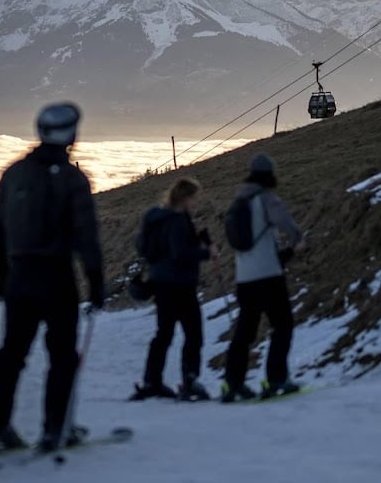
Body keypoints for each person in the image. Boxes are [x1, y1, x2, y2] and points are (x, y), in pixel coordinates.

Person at [0, 102, 105, 454]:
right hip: (57, 277)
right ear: (71, 135)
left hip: (20, 277)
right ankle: (55, 429)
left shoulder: (14, 174)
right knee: (62, 355)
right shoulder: (74, 180)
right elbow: (86, 237)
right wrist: (96, 282)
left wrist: (0, 277)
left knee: (11, 354)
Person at [222, 153, 306, 402]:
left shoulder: (238, 201)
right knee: (282, 324)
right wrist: (298, 240)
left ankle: (232, 384)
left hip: (244, 277)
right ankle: (276, 379)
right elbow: (285, 223)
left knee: (244, 332)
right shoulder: (266, 198)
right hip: (268, 275)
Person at [131, 178, 219, 401]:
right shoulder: (178, 220)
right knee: (193, 333)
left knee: (164, 334)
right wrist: (206, 253)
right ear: (185, 198)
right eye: (194, 198)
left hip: (161, 283)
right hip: (180, 284)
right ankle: (189, 380)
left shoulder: (159, 219)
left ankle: (152, 381)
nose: (196, 203)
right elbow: (180, 253)